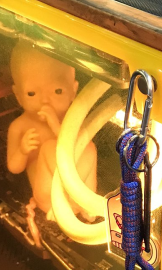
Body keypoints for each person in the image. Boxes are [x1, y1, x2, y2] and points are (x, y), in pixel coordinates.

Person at [6, 44, 97, 243]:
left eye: (57, 91)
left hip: (78, 191)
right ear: (18, 95)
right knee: (49, 148)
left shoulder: (71, 120)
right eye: (32, 93)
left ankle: (88, 203)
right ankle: (62, 205)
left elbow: (76, 145)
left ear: (73, 91)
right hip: (48, 198)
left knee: (89, 147)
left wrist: (56, 125)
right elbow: (14, 167)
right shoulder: (20, 126)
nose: (45, 101)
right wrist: (22, 150)